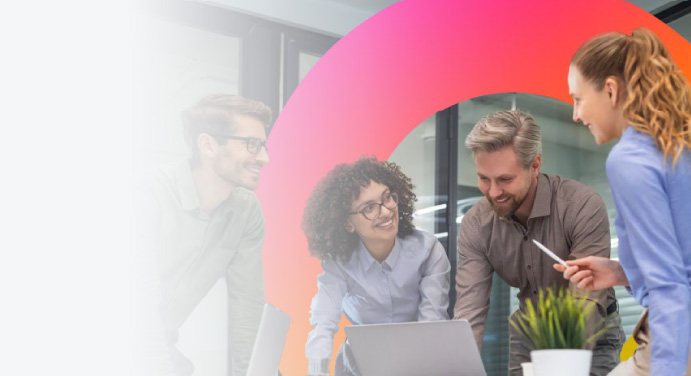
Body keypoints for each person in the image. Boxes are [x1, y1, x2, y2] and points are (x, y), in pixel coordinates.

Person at [559, 27, 691, 376]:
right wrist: (619, 272)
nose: (576, 114)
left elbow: (670, 288)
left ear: (610, 90)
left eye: (578, 99)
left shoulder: (628, 159)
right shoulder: (686, 147)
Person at [454, 110, 625, 376]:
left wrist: (562, 361)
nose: (494, 192)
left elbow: (586, 300)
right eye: (484, 179)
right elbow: (470, 312)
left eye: (505, 179)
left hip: (591, 332)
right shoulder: (476, 224)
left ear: (535, 165)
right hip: (528, 335)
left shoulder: (580, 205)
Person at [133, 94, 272, 375]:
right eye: (252, 145)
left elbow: (247, 309)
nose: (265, 158)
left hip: (160, 347)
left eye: (263, 145)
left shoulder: (246, 212)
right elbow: (137, 308)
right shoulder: (145, 195)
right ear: (208, 145)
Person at [303, 156, 450, 376]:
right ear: (347, 223)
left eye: (387, 198)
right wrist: (317, 370)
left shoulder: (427, 251)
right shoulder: (339, 264)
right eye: (369, 208)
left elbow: (431, 326)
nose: (386, 212)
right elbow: (324, 321)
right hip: (359, 367)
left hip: (417, 365)